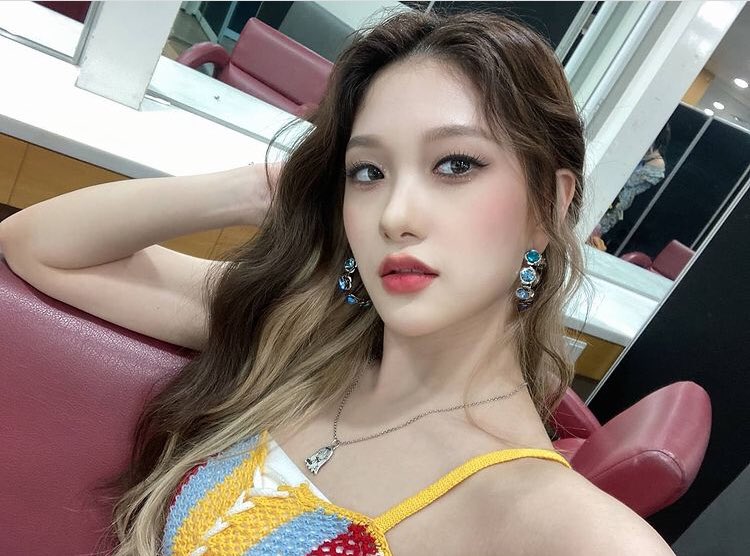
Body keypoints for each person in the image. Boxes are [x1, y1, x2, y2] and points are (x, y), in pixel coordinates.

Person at [0, 9, 676, 556]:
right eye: (368, 172)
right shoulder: (298, 341)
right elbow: (39, 247)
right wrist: (259, 190)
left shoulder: (548, 522)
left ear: (549, 205)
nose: (396, 214)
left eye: (456, 165)